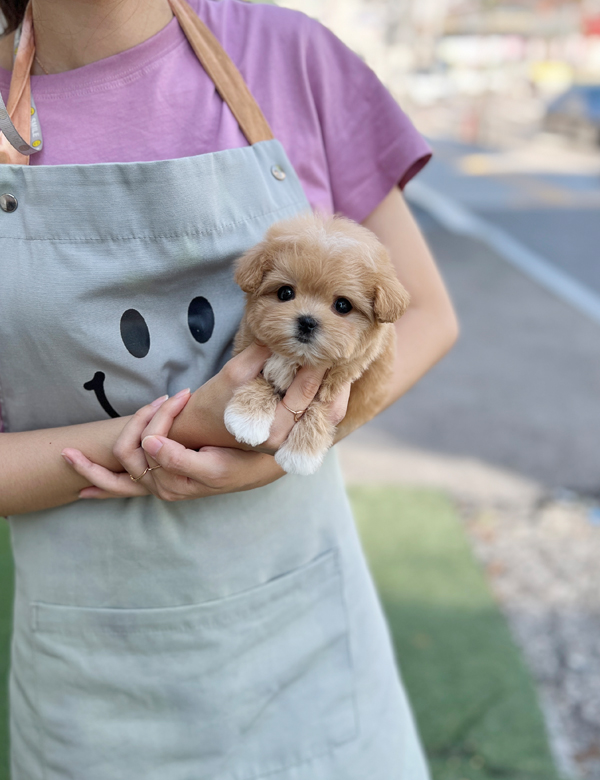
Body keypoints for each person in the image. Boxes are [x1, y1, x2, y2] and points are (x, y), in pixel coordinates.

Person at [0, 0, 458, 778]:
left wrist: (283, 446)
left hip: (309, 651)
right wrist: (169, 437)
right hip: (95, 682)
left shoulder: (290, 56)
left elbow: (425, 314)